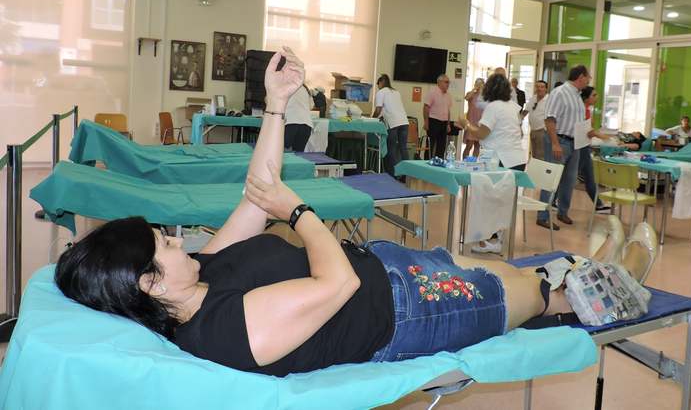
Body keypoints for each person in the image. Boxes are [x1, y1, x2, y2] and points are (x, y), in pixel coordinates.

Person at [55, 47, 655, 376]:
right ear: (149, 284)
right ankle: (599, 288)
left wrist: (276, 105)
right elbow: (334, 282)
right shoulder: (223, 333)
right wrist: (299, 214)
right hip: (408, 313)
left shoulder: (202, 274)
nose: (174, 238)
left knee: (497, 271)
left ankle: (580, 267)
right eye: (162, 244)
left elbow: (256, 192)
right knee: (524, 295)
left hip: (389, 268)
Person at [456, 74, 525, 254]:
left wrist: (466, 124)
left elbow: (481, 134)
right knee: (502, 201)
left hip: (501, 159)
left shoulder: (494, 107)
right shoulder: (513, 107)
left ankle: (492, 239)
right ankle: (496, 239)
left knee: (491, 201)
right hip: (516, 159)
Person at [537, 65, 594, 231]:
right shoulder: (560, 93)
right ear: (581, 77)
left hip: (574, 143)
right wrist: (555, 143)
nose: (589, 80)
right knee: (552, 179)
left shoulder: (577, 96)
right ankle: (543, 216)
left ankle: (563, 212)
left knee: (569, 180)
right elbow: (549, 120)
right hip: (559, 141)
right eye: (588, 76)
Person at [578, 86, 608, 213]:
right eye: (594, 95)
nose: (597, 97)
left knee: (589, 176)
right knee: (570, 176)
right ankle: (554, 200)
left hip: (584, 146)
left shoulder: (587, 111)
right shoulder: (582, 111)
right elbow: (588, 132)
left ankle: (599, 204)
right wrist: (604, 137)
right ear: (586, 97)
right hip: (580, 147)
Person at [372, 74, 409, 177]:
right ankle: (408, 175)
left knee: (391, 149)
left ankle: (392, 175)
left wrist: (372, 119)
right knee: (403, 148)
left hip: (393, 123)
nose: (378, 86)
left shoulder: (381, 92)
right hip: (404, 122)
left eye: (378, 84)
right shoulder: (396, 92)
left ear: (381, 82)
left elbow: (378, 109)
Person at [423, 74, 452, 159]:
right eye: (446, 82)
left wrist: (448, 124)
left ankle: (438, 165)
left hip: (444, 123)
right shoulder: (432, 92)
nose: (448, 84)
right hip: (433, 121)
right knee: (430, 145)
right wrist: (426, 122)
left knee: (441, 146)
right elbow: (426, 107)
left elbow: (448, 110)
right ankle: (426, 164)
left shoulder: (448, 95)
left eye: (448, 82)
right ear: (439, 82)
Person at [523, 80, 548, 160]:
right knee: (534, 155)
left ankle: (539, 172)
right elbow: (525, 111)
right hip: (533, 131)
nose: (539, 89)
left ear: (546, 89)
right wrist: (518, 121)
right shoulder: (533, 98)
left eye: (542, 87)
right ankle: (534, 171)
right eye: (537, 87)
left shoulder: (549, 100)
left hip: (543, 132)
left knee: (541, 156)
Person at [283, 84, 313, 152]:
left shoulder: (285, 85)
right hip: (306, 124)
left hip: (291, 122)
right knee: (299, 155)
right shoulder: (305, 87)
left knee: (284, 154)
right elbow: (311, 106)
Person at [463, 78, 484, 159]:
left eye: (480, 83)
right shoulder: (471, 94)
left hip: (480, 124)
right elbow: (467, 98)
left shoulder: (485, 96)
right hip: (471, 123)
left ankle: (474, 162)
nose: (479, 85)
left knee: (477, 145)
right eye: (477, 83)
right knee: (469, 145)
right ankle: (465, 162)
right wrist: (474, 89)